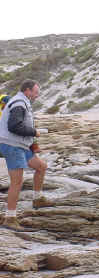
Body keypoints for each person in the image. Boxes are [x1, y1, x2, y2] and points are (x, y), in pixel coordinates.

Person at [0, 79, 49, 231]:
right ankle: (10, 218)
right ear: (27, 90)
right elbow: (14, 126)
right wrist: (35, 132)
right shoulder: (19, 103)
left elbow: (22, 125)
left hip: (22, 145)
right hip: (12, 146)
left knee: (41, 166)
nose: (37, 96)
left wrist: (33, 144)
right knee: (17, 182)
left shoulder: (22, 102)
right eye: (35, 92)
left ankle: (38, 199)